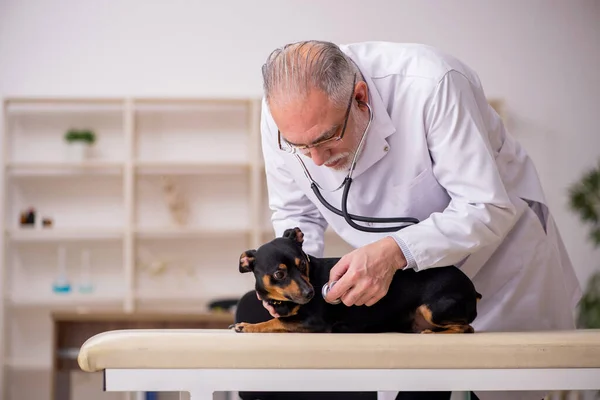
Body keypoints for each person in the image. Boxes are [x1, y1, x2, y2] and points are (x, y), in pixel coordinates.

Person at [234, 40, 582, 400]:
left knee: (502, 388)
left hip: (494, 263)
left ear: (360, 98)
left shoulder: (434, 85)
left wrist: (396, 251)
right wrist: (299, 295)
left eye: (327, 139)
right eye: (300, 148)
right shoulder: (283, 115)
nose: (316, 160)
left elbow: (485, 206)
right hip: (398, 295)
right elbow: (296, 214)